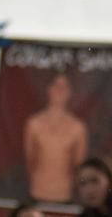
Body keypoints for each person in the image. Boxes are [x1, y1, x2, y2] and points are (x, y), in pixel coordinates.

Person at [23, 72, 87, 202]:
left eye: (64, 87)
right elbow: (30, 160)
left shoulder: (78, 128)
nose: (60, 91)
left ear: (70, 92)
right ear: (49, 89)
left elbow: (78, 165)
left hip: (64, 194)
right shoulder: (34, 124)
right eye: (56, 86)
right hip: (38, 192)